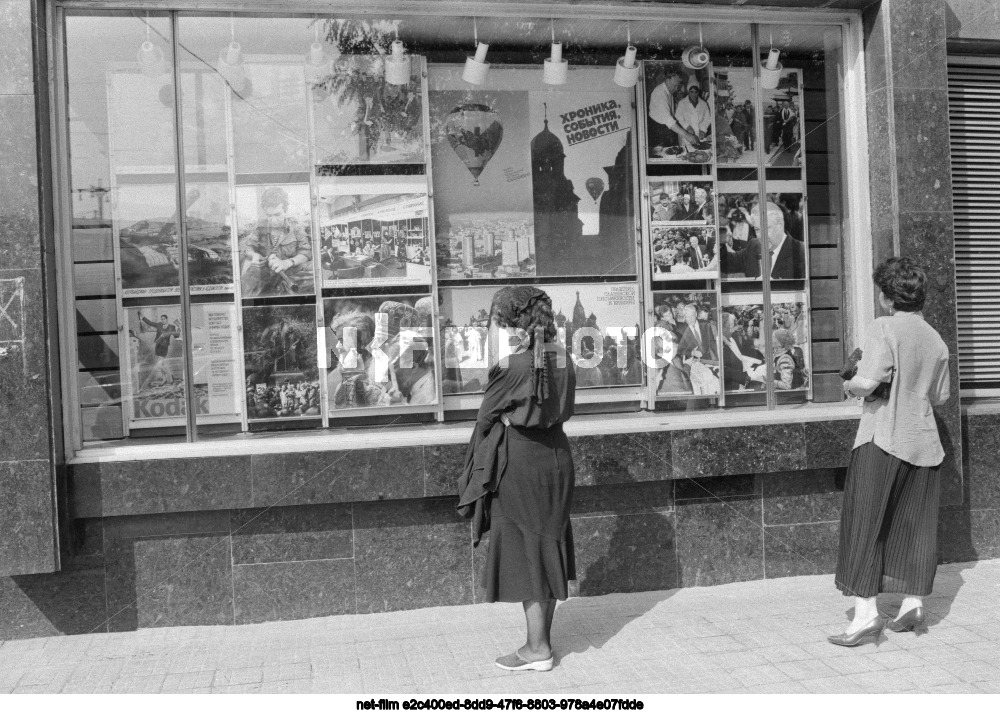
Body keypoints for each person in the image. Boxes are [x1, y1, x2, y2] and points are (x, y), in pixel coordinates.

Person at [830, 257, 951, 647]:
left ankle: (866, 616)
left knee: (864, 523)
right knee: (914, 526)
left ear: (886, 297)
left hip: (882, 439)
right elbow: (940, 395)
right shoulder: (935, 338)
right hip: (924, 443)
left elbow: (868, 381)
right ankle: (912, 603)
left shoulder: (883, 327)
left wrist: (850, 383)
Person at [462, 286, 576, 672]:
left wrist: (510, 419)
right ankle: (542, 643)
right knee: (548, 545)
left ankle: (536, 649)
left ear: (516, 322)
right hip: (558, 458)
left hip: (521, 464)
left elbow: (484, 419)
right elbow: (564, 409)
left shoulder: (513, 366)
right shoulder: (564, 358)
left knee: (529, 554)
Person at [240, 187, 312, 297]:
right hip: (265, 274)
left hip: (290, 273)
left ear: (285, 210)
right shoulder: (260, 227)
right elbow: (248, 247)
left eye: (277, 215)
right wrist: (254, 255)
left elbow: (306, 253)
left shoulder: (296, 226)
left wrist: (287, 263)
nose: (273, 220)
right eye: (269, 215)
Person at [724, 201, 805, 280]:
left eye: (766, 228)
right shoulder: (754, 246)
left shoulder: (801, 251)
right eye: (757, 229)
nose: (762, 236)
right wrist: (721, 236)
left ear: (780, 225)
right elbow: (726, 262)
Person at [647, 69, 700, 153]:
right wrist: (687, 135)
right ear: (668, 80)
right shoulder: (659, 94)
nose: (676, 89)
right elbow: (669, 120)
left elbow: (674, 115)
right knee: (662, 156)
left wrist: (687, 127)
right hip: (657, 131)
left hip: (665, 128)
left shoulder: (669, 92)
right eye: (675, 85)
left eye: (677, 86)